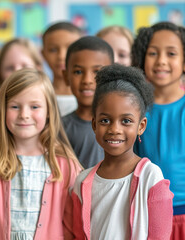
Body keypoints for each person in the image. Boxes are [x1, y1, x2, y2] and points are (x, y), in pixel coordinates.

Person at [0, 68, 82, 239]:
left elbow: (71, 225)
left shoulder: (64, 163)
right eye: (15, 106)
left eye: (34, 107)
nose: (24, 115)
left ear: (49, 112)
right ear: (3, 110)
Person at [71, 64, 173, 239]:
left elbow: (160, 236)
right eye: (105, 120)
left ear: (141, 126)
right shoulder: (82, 181)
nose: (114, 129)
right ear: (94, 124)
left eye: (126, 121)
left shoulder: (151, 177)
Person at [132, 21, 185, 239]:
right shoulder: (133, 108)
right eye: (153, 53)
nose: (161, 60)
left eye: (171, 53)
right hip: (145, 215)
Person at [62, 36, 114, 169]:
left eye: (97, 72)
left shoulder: (123, 123)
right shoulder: (59, 128)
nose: (87, 80)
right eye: (78, 72)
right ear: (65, 76)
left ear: (112, 75)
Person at [41, 21, 82, 116]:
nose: (61, 56)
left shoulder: (93, 96)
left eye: (70, 48)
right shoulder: (38, 95)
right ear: (43, 55)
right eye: (53, 50)